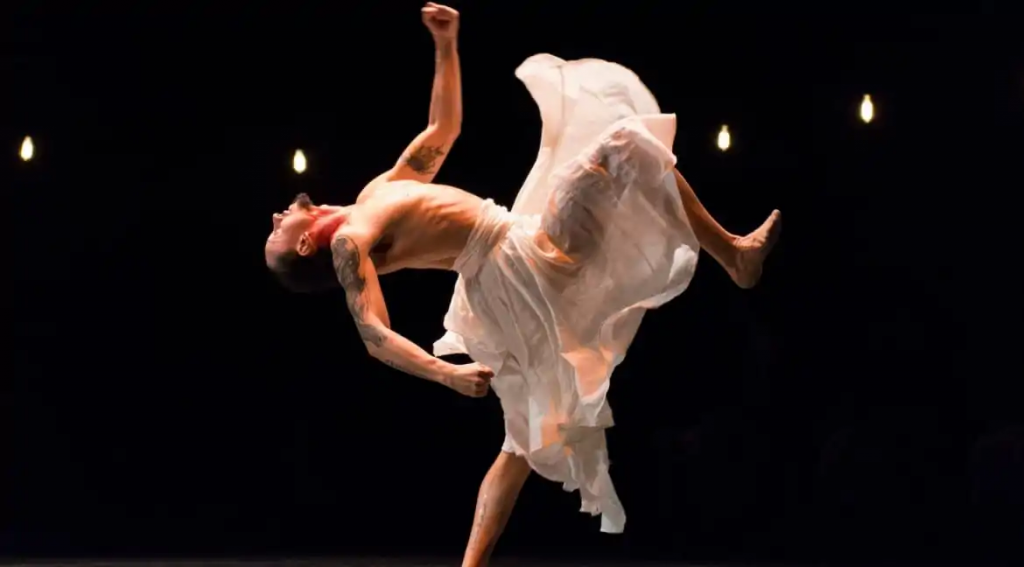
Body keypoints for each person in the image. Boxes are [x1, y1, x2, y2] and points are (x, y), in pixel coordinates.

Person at [264, 4, 781, 566]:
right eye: (275, 232)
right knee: (626, 144)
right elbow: (373, 333)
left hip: (506, 260)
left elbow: (442, 130)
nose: (275, 216)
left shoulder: (373, 196)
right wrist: (446, 373)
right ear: (305, 245)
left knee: (520, 443)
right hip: (512, 262)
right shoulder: (349, 241)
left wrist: (445, 45)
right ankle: (734, 256)